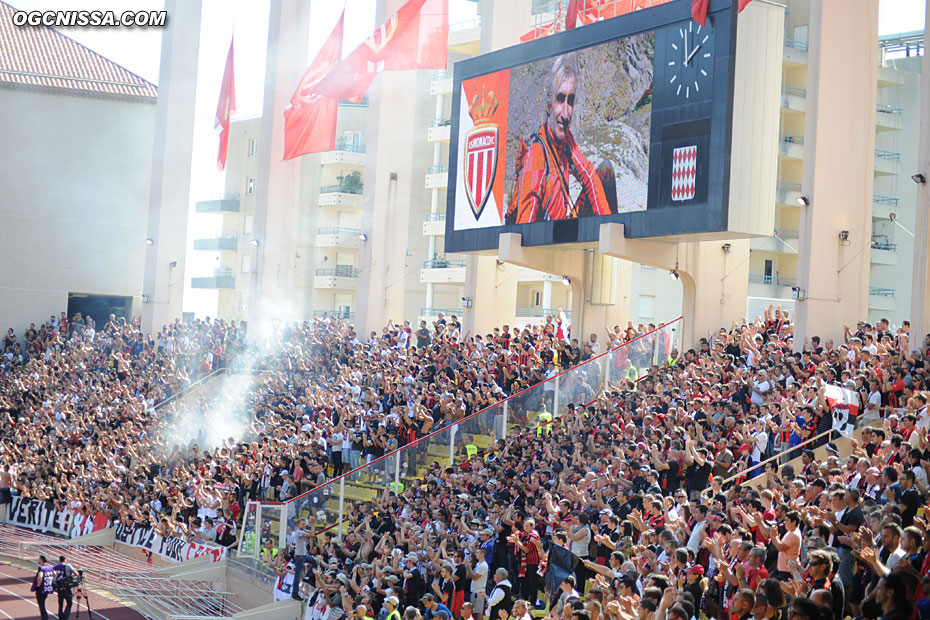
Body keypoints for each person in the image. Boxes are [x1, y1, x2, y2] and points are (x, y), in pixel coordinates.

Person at [506, 54, 614, 224]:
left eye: (570, 101)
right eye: (560, 99)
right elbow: (524, 226)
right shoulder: (537, 155)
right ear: (549, 106)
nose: (565, 113)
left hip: (564, 229)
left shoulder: (565, 141)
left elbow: (589, 175)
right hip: (549, 243)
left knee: (605, 172)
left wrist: (609, 226)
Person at [30, 555, 56, 620]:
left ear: (41, 560)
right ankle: (45, 617)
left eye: (39, 559)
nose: (38, 560)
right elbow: (55, 573)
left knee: (41, 605)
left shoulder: (41, 568)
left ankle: (45, 617)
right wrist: (52, 581)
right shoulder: (49, 567)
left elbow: (40, 576)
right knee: (42, 604)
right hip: (46, 588)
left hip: (40, 589)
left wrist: (38, 584)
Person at [53, 555, 76, 620]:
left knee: (60, 604)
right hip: (67, 588)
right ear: (65, 560)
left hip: (59, 588)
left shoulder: (55, 567)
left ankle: (60, 617)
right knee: (69, 603)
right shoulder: (67, 566)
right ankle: (65, 618)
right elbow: (76, 573)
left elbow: (53, 576)